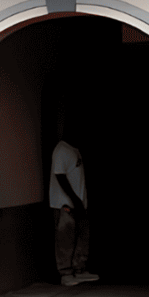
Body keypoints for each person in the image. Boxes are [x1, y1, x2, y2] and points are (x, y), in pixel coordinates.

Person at [50, 116, 98, 287]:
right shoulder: (62, 150)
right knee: (65, 239)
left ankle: (79, 269)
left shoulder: (74, 149)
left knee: (82, 237)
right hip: (65, 204)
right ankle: (66, 272)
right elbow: (60, 176)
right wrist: (75, 200)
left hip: (78, 202)